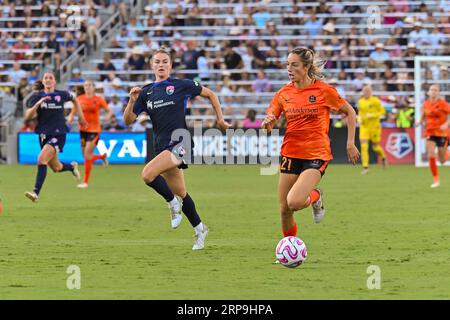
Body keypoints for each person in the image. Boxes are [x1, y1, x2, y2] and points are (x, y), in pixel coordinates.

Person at [123, 46, 231, 250]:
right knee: (183, 193)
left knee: (147, 175)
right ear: (151, 65)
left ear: (170, 65)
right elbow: (128, 120)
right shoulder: (146, 92)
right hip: (163, 147)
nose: (161, 65)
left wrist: (221, 120)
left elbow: (211, 94)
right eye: (157, 62)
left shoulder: (181, 85)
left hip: (181, 142)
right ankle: (200, 229)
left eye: (165, 61)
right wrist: (132, 101)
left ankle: (172, 204)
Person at [261, 47, 359, 246]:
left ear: (306, 67)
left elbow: (350, 112)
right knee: (284, 209)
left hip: (316, 153)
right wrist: (268, 125)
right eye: (287, 64)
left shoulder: (324, 91)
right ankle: (289, 249)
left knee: (295, 202)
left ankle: (316, 195)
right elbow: (269, 119)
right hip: (290, 152)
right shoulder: (283, 93)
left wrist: (350, 143)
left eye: (294, 65)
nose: (289, 69)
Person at [24, 72, 87, 202]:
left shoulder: (61, 94)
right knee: (56, 168)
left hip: (59, 134)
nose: (48, 80)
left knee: (41, 160)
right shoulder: (37, 97)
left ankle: (35, 193)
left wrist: (80, 117)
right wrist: (37, 105)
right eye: (45, 78)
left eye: (50, 78)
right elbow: (27, 117)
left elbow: (75, 99)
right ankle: (71, 166)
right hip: (43, 135)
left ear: (54, 82)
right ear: (42, 81)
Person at [68, 80, 112, 189]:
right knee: (86, 156)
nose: (87, 87)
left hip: (94, 130)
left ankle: (85, 182)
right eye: (86, 85)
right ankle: (102, 157)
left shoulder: (98, 99)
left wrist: (107, 117)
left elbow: (109, 111)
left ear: (93, 87)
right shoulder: (79, 99)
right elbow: (73, 112)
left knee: (87, 154)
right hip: (82, 130)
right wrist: (69, 119)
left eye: (89, 85)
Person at [416, 84, 450, 188]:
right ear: (428, 92)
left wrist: (446, 124)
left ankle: (446, 155)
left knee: (442, 160)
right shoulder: (425, 104)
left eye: (436, 90)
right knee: (431, 155)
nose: (433, 92)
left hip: (442, 133)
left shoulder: (443, 104)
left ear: (438, 93)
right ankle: (436, 180)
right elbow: (423, 115)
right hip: (430, 132)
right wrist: (419, 121)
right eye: (432, 90)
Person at [357, 85, 387, 175]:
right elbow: (360, 113)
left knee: (375, 147)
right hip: (364, 127)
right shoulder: (360, 101)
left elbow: (382, 111)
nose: (366, 93)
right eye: (364, 91)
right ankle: (365, 167)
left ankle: (383, 157)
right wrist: (359, 119)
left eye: (368, 91)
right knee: (364, 146)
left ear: (371, 92)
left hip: (374, 127)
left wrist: (372, 114)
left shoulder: (375, 100)